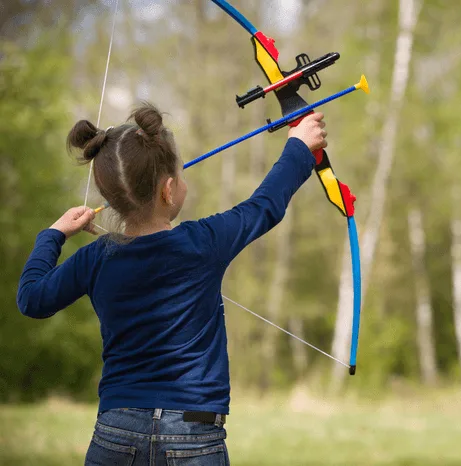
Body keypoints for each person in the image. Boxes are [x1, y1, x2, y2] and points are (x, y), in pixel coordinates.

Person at [16, 102, 327, 465]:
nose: (184, 181)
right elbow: (264, 205)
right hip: (194, 434)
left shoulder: (97, 257)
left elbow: (31, 298)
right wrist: (300, 146)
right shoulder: (204, 241)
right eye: (180, 176)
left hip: (116, 431)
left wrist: (53, 234)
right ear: (167, 190)